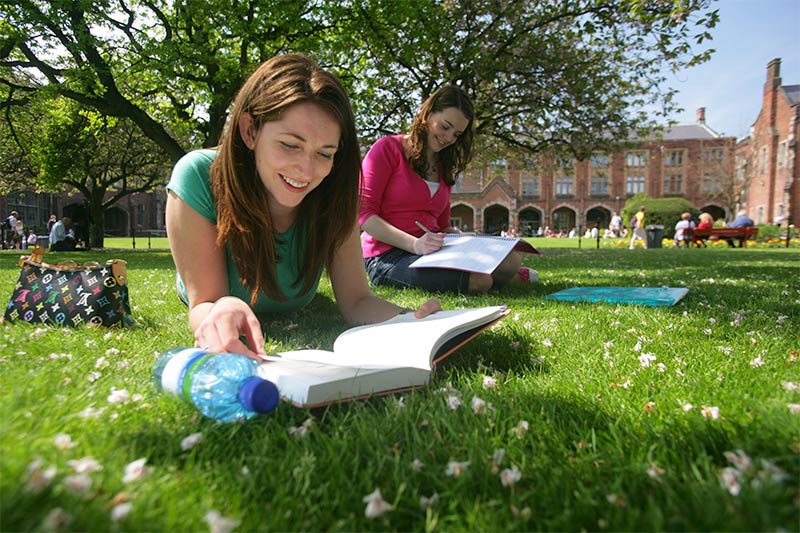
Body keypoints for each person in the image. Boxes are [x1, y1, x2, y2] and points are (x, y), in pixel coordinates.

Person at [165, 54, 440, 359]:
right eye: (290, 145)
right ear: (250, 131)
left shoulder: (336, 192)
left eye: (324, 153)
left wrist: (412, 320)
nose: (306, 172)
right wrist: (221, 308)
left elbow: (357, 301)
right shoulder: (198, 176)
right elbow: (203, 303)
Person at [359, 85, 537, 293]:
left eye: (457, 134)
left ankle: (509, 274)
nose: (449, 138)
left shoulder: (444, 166)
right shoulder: (387, 149)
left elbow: (442, 226)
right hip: (388, 255)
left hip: (432, 251)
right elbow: (364, 215)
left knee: (511, 260)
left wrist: (470, 241)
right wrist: (415, 245)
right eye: (445, 126)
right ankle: (506, 279)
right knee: (480, 281)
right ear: (427, 114)